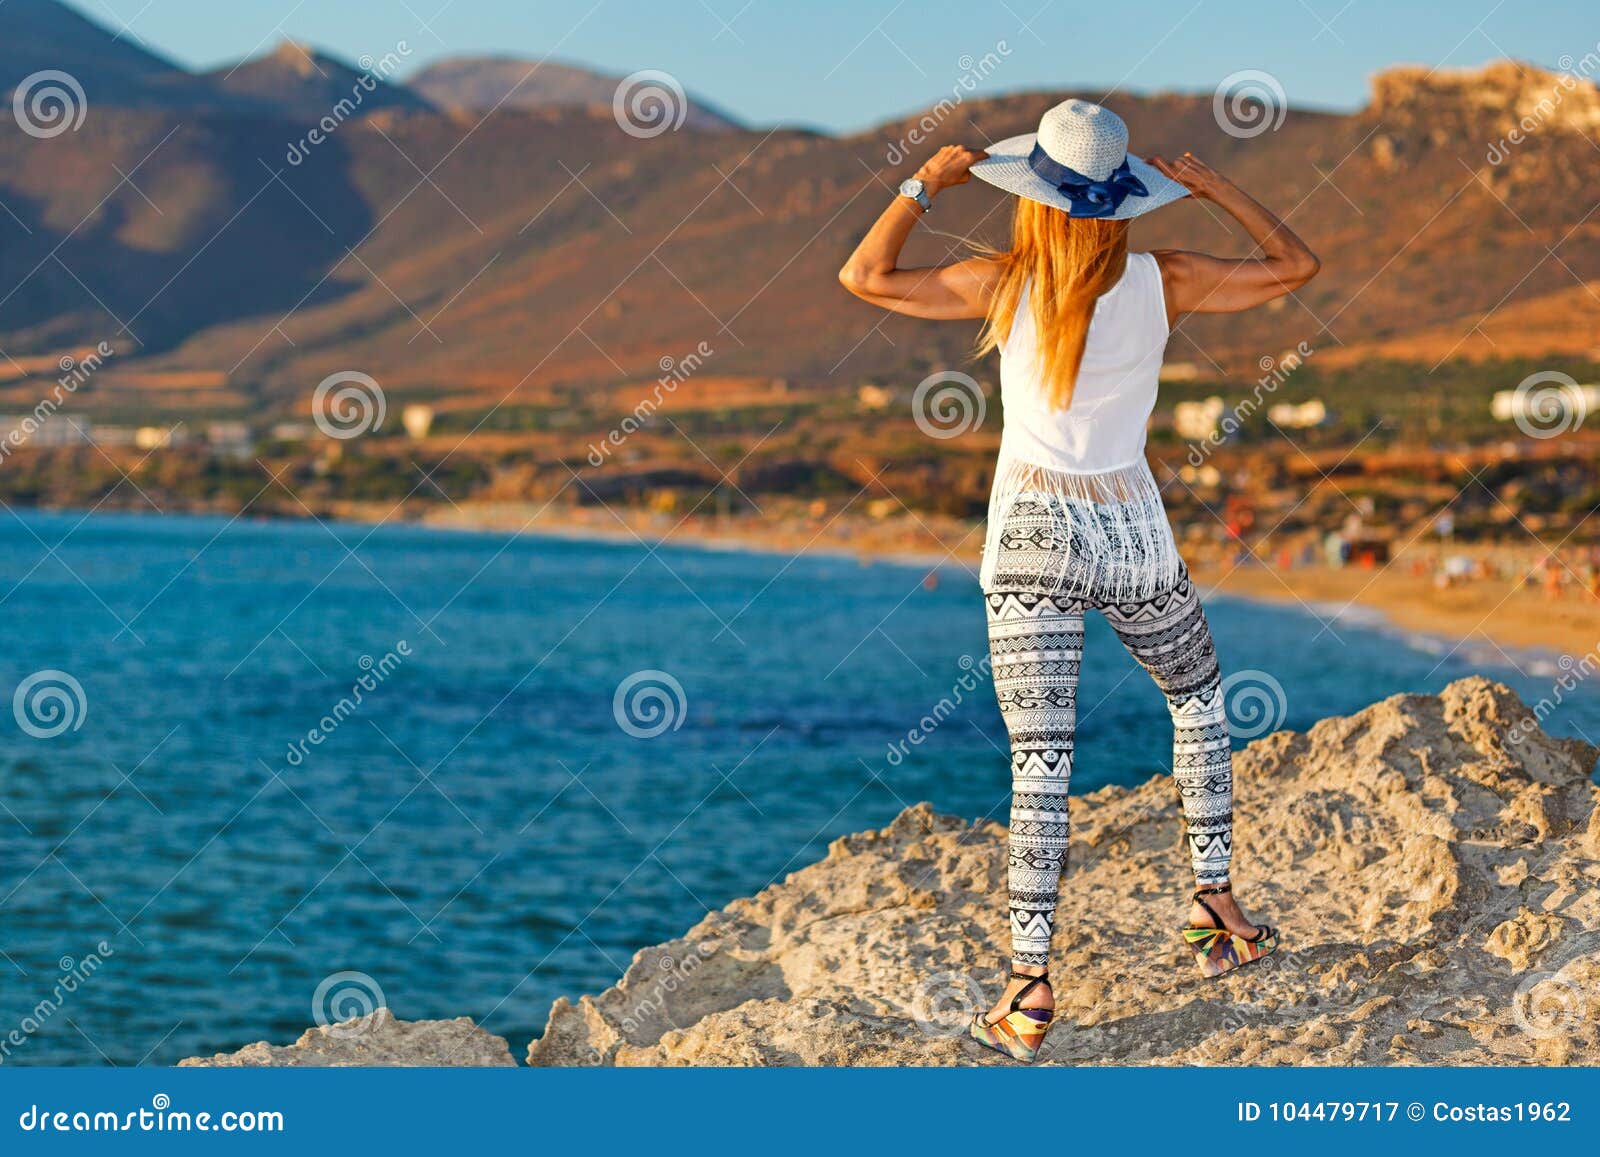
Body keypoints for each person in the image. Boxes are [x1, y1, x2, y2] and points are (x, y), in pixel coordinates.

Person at [838, 99, 1320, 1062]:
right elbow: (1295, 267)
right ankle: (1218, 907)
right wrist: (1219, 188)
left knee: (1040, 764)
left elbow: (865, 275)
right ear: (1124, 203)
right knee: (1198, 701)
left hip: (1029, 536)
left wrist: (922, 186)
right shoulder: (1164, 277)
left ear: (1033, 200)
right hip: (1132, 528)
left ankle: (1027, 989)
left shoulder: (1001, 281)